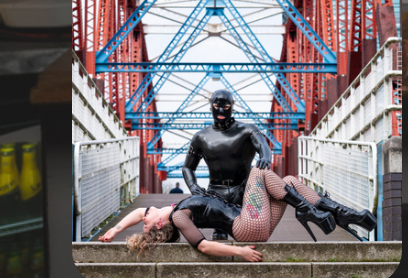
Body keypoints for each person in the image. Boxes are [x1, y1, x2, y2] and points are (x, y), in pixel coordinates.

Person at [97, 167, 377, 259]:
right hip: (246, 226)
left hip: (254, 221)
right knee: (258, 171)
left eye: (143, 221)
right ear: (159, 224)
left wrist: (115, 230)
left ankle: (341, 214)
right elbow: (203, 246)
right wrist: (239, 251)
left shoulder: (170, 211)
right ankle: (307, 210)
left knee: (289, 181)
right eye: (145, 223)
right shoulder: (180, 218)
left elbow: (139, 213)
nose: (143, 218)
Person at [183, 89, 273, 207]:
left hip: (243, 190)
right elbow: (187, 167)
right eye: (216, 106)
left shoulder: (248, 130)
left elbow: (263, 145)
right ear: (211, 107)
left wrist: (265, 157)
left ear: (232, 107)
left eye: (226, 107)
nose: (221, 110)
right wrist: (193, 186)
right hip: (215, 193)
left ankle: (298, 203)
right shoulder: (200, 137)